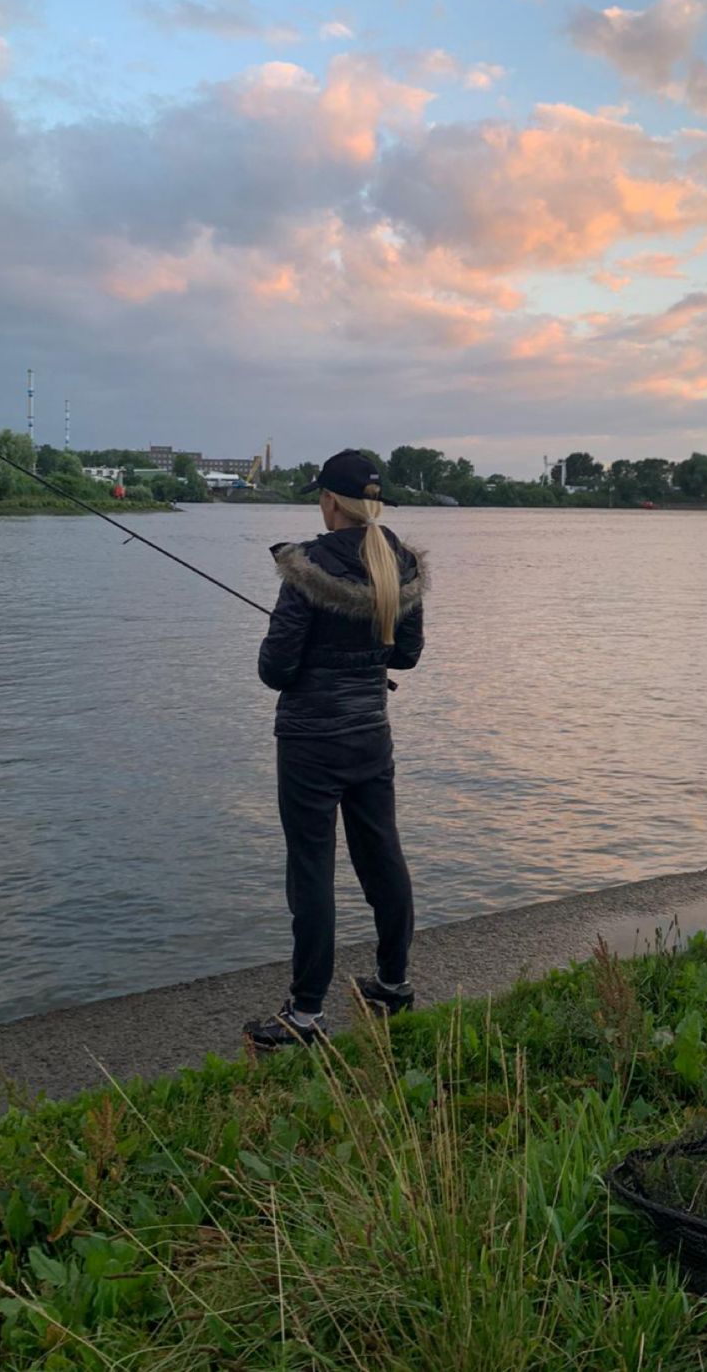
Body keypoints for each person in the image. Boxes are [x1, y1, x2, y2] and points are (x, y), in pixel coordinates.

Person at [243, 449, 428, 1050]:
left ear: (328, 502)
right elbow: (405, 655)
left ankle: (305, 1016)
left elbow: (275, 669)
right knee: (383, 859)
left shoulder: (307, 568)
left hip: (310, 744)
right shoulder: (399, 563)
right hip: (372, 736)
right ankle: (394, 985)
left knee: (311, 873)